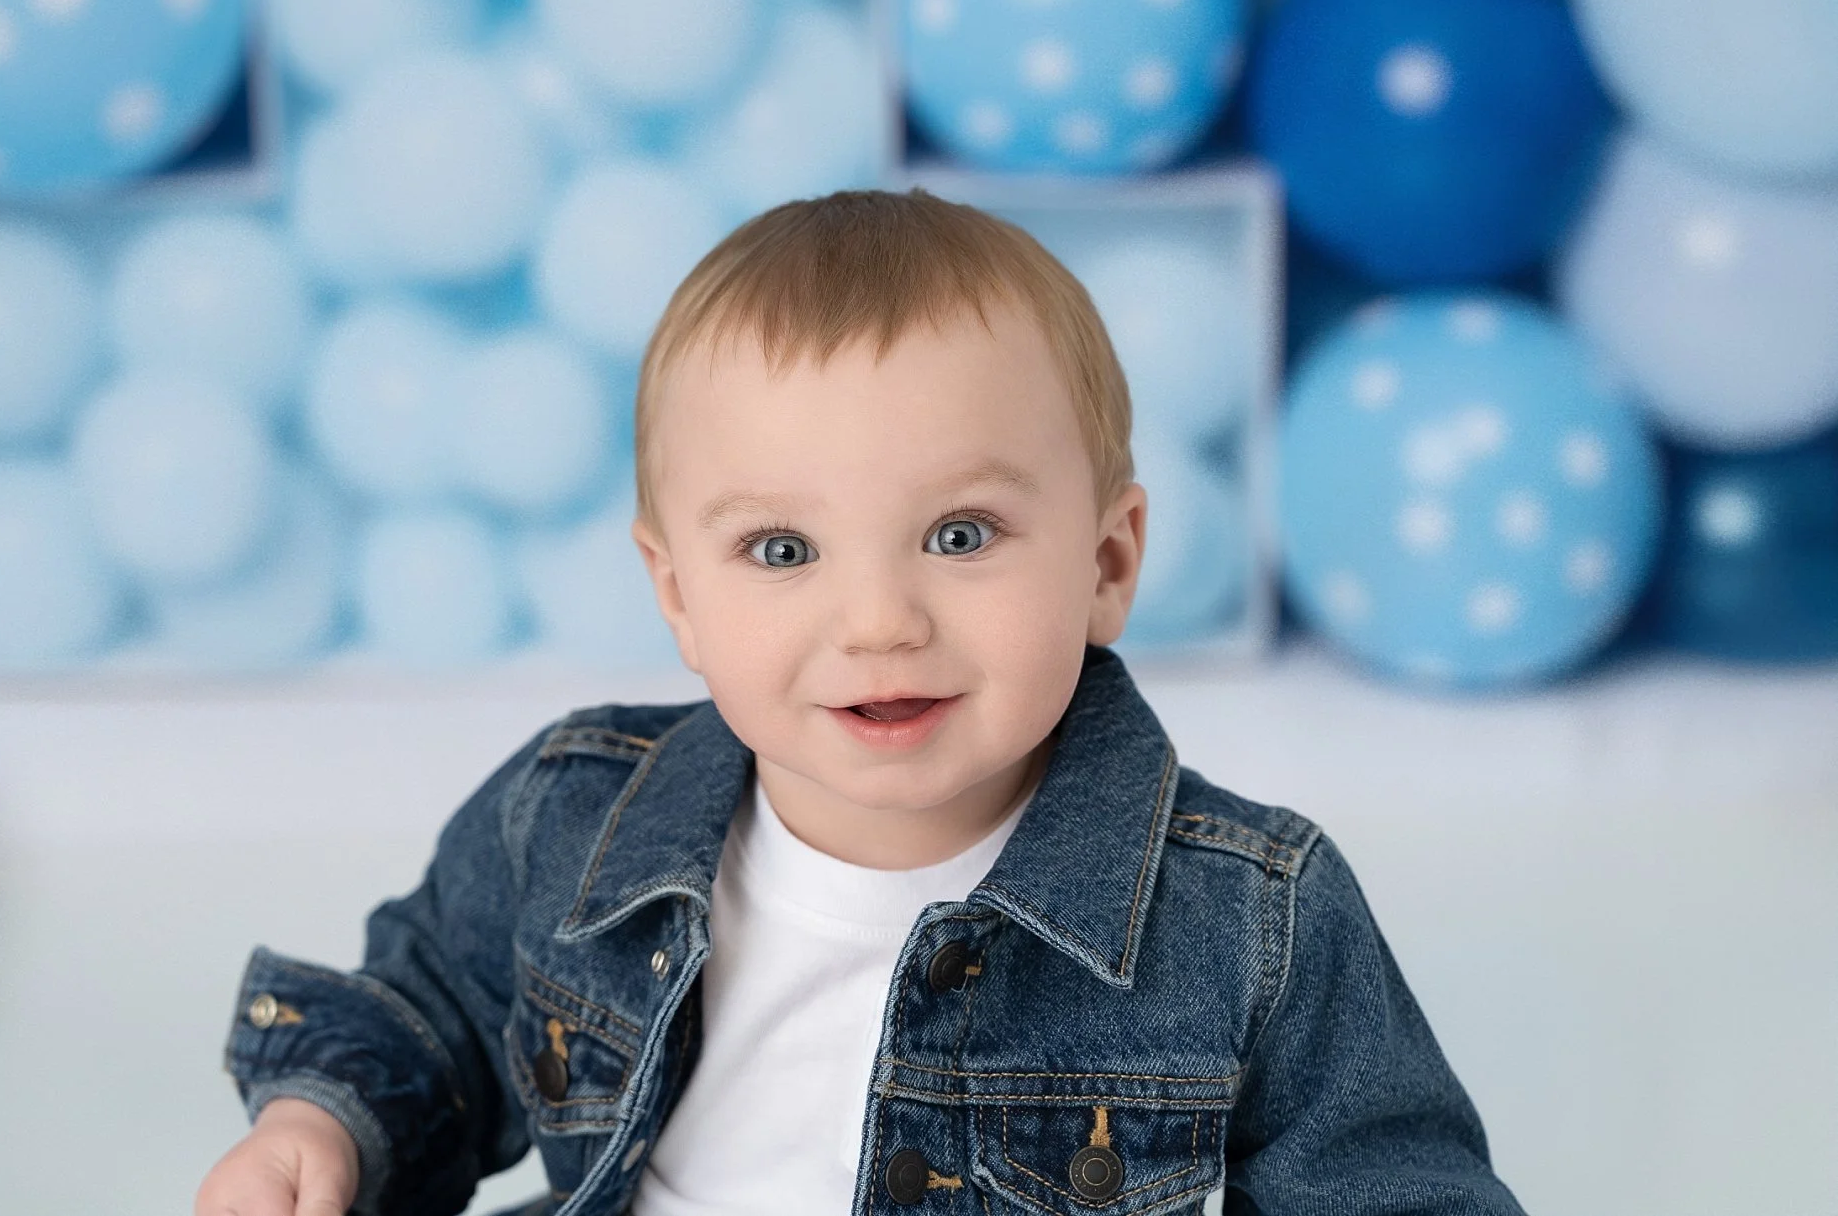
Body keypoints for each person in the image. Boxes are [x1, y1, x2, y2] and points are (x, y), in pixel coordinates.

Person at [196, 189, 1525, 1216]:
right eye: (782, 552)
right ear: (679, 596)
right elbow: (424, 1010)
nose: (881, 621)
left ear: (1109, 563)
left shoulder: (1248, 917)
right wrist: (321, 1129)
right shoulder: (578, 815)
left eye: (960, 534)